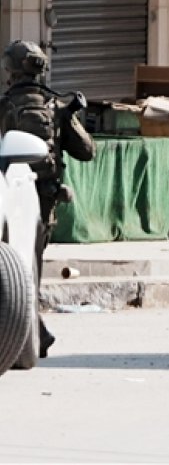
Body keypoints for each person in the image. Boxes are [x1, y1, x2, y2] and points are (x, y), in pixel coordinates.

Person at [0, 40, 96, 359]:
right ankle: (35, 335)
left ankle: (32, 337)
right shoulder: (55, 107)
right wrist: (67, 117)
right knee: (29, 268)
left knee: (23, 274)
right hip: (43, 202)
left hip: (8, 197)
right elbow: (87, 151)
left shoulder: (5, 107)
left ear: (11, 71)